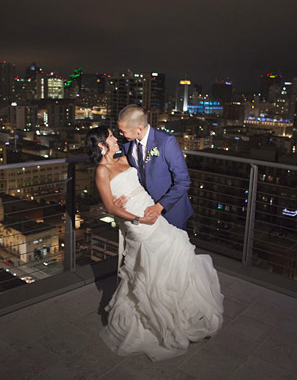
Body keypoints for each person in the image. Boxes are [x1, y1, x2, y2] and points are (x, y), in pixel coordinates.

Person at [86, 125, 224, 362]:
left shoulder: (124, 157)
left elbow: (142, 180)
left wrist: (151, 209)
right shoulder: (101, 171)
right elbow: (110, 207)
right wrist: (138, 217)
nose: (115, 138)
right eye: (110, 136)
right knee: (154, 263)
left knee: (176, 250)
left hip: (152, 213)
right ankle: (156, 321)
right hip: (137, 222)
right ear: (101, 145)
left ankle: (179, 310)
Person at [116, 104, 194, 230]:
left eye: (123, 131)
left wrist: (159, 206)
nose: (120, 134)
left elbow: (183, 181)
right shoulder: (127, 143)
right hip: (144, 209)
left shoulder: (166, 142)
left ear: (139, 129)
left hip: (171, 211)